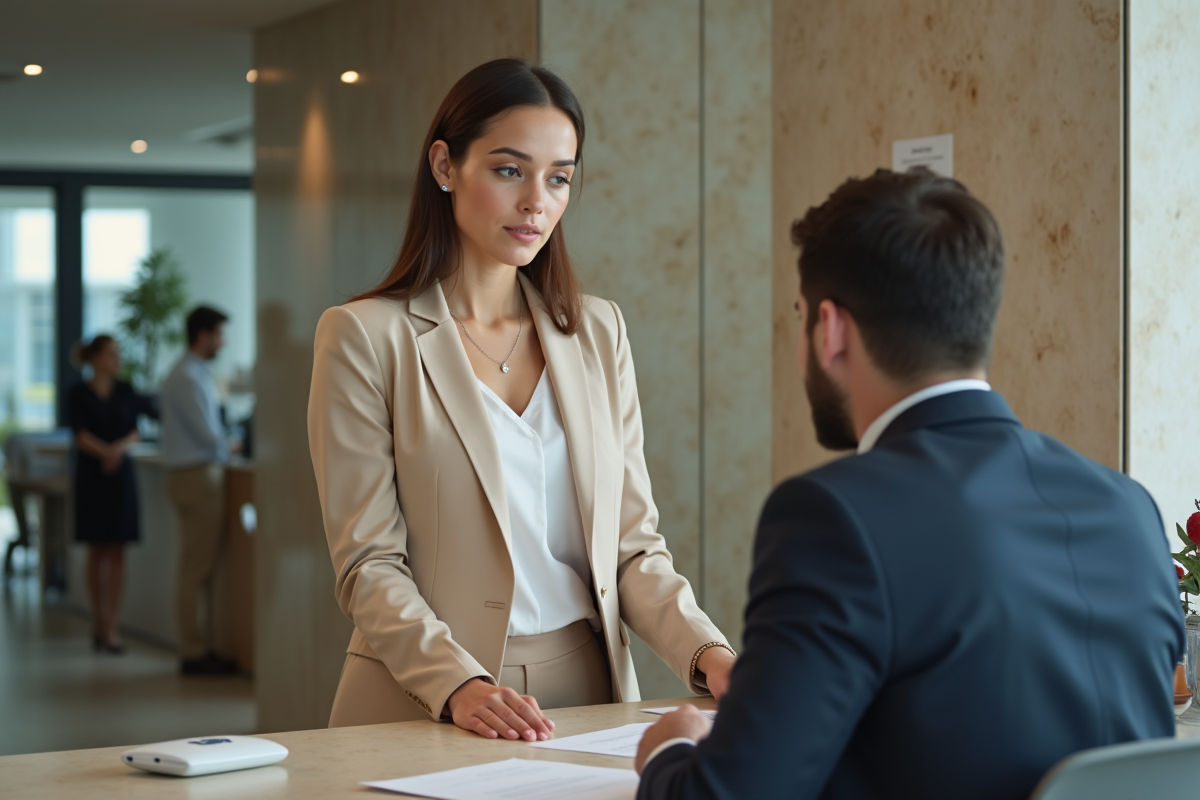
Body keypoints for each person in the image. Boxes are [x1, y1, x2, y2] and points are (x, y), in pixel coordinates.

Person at [635, 168, 1184, 799]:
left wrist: (669, 749)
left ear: (831, 329)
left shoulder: (833, 516)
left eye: (799, 318)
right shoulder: (1130, 509)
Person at [308, 58, 735, 740]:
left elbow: (633, 550)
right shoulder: (366, 335)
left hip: (589, 693)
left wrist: (712, 655)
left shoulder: (597, 330)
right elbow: (369, 565)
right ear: (445, 166)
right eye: (510, 170)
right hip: (426, 696)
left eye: (559, 177)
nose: (538, 201)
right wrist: (461, 683)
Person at [161, 305, 237, 675]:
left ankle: (200, 645)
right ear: (203, 335)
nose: (222, 342)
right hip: (196, 475)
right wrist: (232, 444)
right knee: (196, 570)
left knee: (197, 568)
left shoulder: (189, 373)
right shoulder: (188, 378)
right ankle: (193, 652)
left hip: (190, 474)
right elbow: (209, 435)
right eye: (219, 334)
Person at [68, 335, 152, 653]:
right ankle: (97, 620)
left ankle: (112, 626)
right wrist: (104, 452)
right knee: (96, 549)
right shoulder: (78, 392)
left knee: (118, 549)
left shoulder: (127, 390)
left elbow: (136, 430)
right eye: (112, 354)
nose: (118, 360)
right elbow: (78, 433)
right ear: (96, 358)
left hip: (120, 476)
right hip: (92, 475)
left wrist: (116, 450)